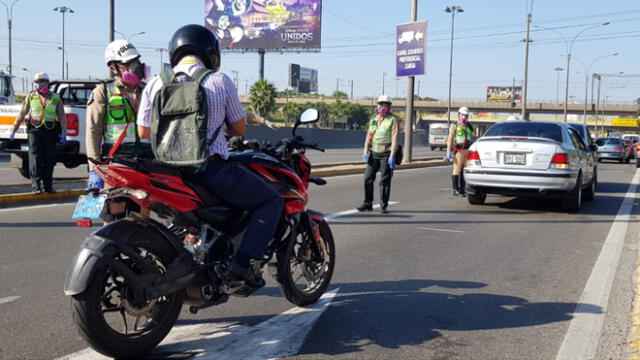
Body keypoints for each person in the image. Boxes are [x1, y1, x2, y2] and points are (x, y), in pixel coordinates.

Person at [136, 24, 283, 289]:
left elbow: (144, 131)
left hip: (166, 171)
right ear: (211, 53)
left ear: (175, 52)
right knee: (271, 201)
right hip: (208, 170)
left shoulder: (157, 82)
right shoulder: (218, 81)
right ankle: (242, 266)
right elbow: (239, 128)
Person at [85, 40, 151, 221]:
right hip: (116, 163)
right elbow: (93, 130)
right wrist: (94, 168)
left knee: (142, 214)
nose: (136, 67)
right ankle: (109, 248)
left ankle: (141, 248)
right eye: (129, 64)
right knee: (114, 215)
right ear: (114, 68)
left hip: (146, 161)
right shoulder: (103, 91)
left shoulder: (149, 91)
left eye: (137, 62)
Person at [10, 73, 66, 193]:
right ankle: (36, 186)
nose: (40, 84)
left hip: (50, 131)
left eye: (43, 82)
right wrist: (13, 130)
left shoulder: (55, 98)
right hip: (34, 131)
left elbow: (62, 117)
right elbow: (21, 113)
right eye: (38, 82)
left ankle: (48, 186)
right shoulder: (31, 96)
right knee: (35, 158)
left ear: (48, 83)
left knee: (48, 159)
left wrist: (64, 133)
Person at [357, 95, 399, 214]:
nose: (383, 107)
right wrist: (365, 151)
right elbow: (368, 137)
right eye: (381, 104)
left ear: (389, 107)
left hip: (386, 153)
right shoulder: (374, 119)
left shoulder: (392, 120)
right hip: (373, 153)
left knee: (385, 180)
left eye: (385, 105)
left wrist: (392, 155)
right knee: (367, 178)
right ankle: (367, 203)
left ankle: (383, 205)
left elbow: (395, 138)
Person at [446, 106, 474, 197]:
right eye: (463, 115)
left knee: (464, 170)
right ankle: (456, 189)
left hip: (468, 150)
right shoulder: (454, 125)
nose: (464, 117)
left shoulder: (469, 125)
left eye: (466, 115)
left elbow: (472, 137)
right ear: (459, 115)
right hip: (459, 150)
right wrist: (448, 152)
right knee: (457, 170)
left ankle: (462, 189)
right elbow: (450, 138)